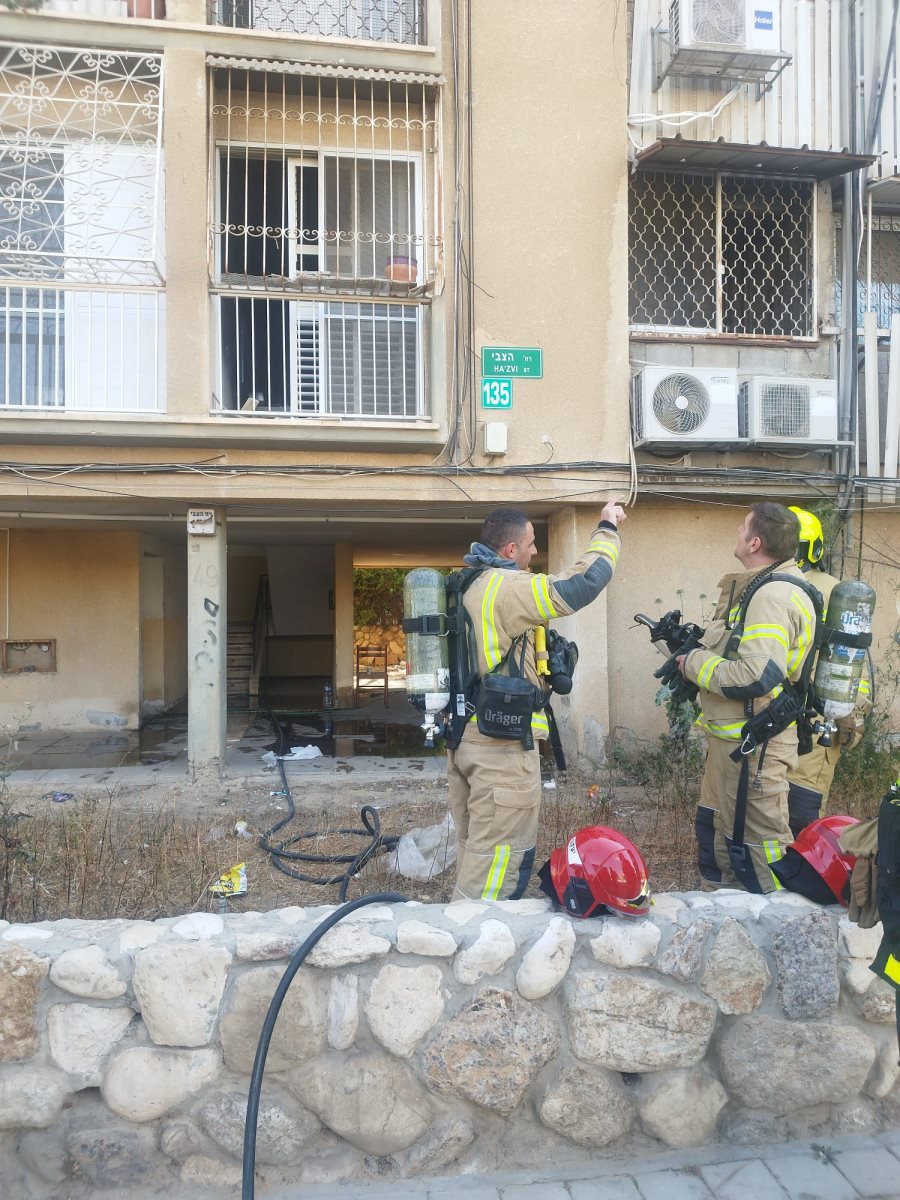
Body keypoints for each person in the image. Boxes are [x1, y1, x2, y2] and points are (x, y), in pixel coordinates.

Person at [447, 501, 625, 901]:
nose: (534, 553)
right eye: (530, 544)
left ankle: (461, 934)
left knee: (476, 854)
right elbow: (582, 585)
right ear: (510, 550)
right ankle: (480, 945)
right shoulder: (506, 586)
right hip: (500, 751)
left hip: (467, 739)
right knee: (497, 868)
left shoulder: (469, 584)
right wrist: (607, 528)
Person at [675, 502, 817, 894]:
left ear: (755, 542)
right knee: (717, 837)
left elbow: (759, 675)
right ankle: (723, 922)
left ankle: (778, 930)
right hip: (732, 742)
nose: (736, 533)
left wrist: (694, 665)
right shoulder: (758, 586)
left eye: (742, 529)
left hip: (756, 749)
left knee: (761, 846)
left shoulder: (772, 597)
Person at [784, 506, 872, 837]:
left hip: (773, 720)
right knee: (800, 817)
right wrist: (853, 715)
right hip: (819, 720)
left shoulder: (765, 588)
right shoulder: (840, 593)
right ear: (815, 548)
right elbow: (856, 667)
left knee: (762, 814)